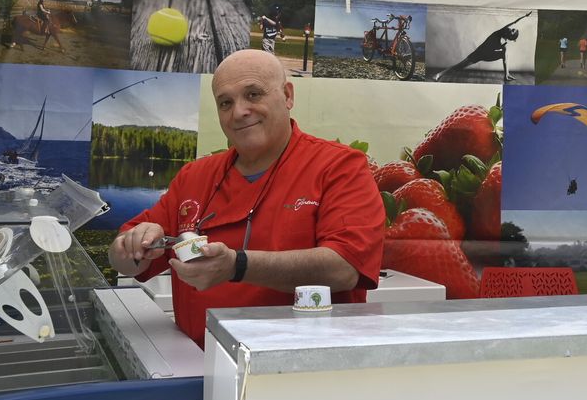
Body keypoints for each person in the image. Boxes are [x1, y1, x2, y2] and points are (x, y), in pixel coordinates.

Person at [109, 50, 384, 346]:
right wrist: (130, 247)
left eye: (253, 95)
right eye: (225, 102)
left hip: (300, 373)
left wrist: (237, 265)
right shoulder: (194, 176)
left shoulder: (339, 166)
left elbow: (344, 268)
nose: (239, 111)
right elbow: (124, 260)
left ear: (287, 95)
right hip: (201, 367)